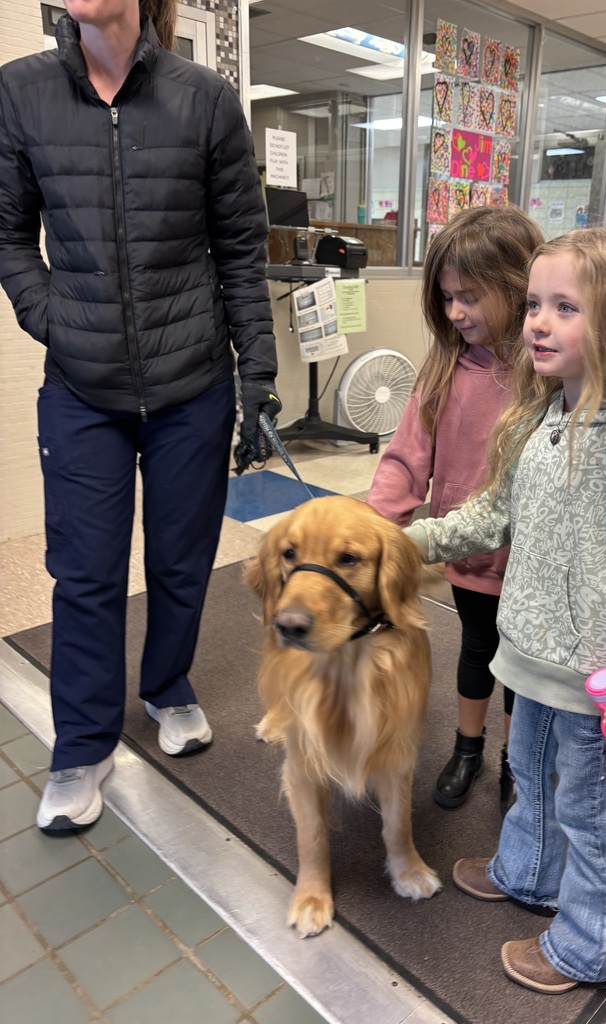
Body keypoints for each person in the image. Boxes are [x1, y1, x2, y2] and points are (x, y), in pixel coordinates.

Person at [404, 227, 606, 993]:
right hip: (533, 658)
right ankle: (528, 871)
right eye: (536, 304)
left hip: (604, 681)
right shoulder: (545, 414)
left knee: (589, 814)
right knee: (534, 777)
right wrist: (407, 543)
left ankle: (590, 946)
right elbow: (492, 515)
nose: (537, 322)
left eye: (565, 307)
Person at [0, 0, 280, 832]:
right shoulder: (21, 92)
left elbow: (239, 246)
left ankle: (167, 686)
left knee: (180, 559)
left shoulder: (206, 98)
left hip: (192, 379)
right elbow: (10, 236)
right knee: (83, 572)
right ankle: (81, 747)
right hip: (81, 387)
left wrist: (256, 375)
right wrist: (52, 317)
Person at [368, 205, 543, 816]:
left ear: (519, 289)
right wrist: (373, 526)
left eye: (469, 297)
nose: (454, 313)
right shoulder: (443, 368)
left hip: (535, 557)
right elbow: (405, 458)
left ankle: (514, 760)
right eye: (446, 298)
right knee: (476, 646)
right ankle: (468, 747)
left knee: (525, 666)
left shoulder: (547, 375)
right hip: (467, 551)